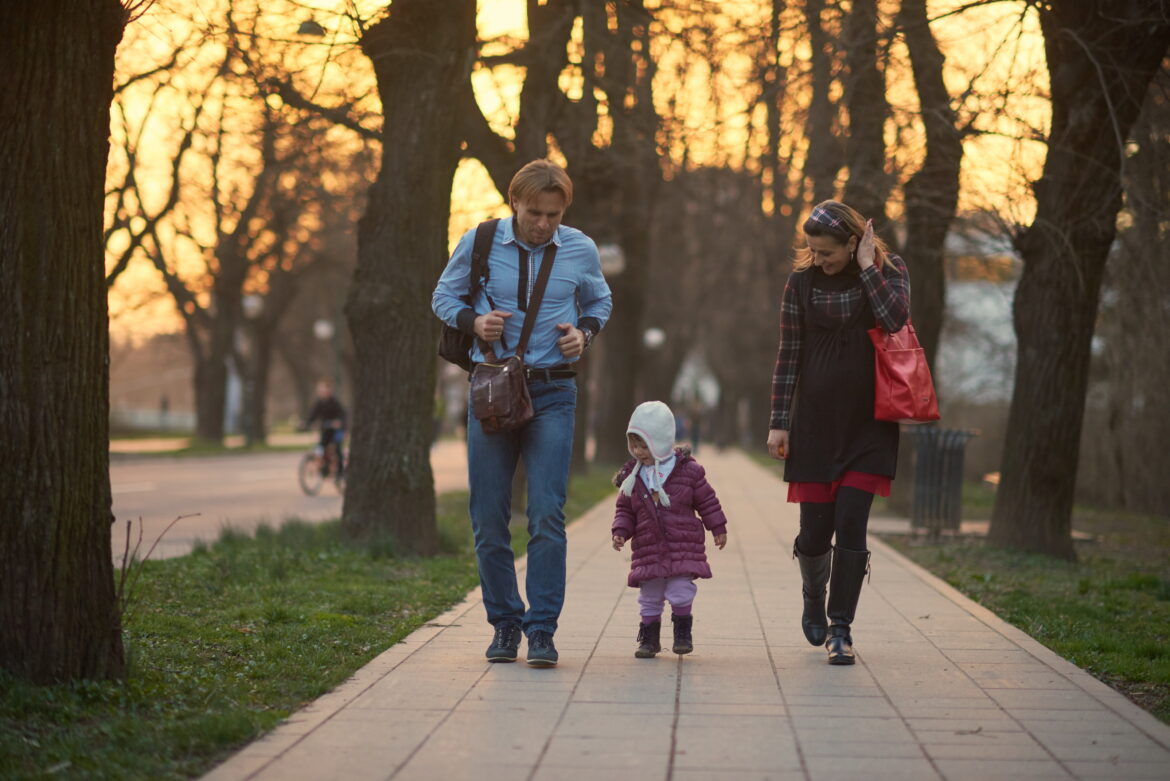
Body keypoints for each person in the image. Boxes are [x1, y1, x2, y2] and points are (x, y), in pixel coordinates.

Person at [432, 159, 613, 667]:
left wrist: (586, 333)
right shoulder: (481, 242)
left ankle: (542, 630)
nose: (543, 223)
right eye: (535, 212)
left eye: (553, 215)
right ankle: (505, 623)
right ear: (515, 202)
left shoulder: (580, 248)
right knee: (488, 515)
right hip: (494, 389)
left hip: (554, 391)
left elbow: (601, 299)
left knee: (546, 514)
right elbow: (442, 296)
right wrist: (474, 321)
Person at [766, 200, 910, 665]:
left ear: (852, 242)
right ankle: (814, 591)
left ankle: (840, 628)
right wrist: (778, 421)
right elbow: (789, 353)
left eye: (827, 252)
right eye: (812, 251)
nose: (818, 260)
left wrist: (868, 267)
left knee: (851, 521)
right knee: (814, 533)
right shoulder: (801, 284)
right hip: (815, 424)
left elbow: (894, 320)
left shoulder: (891, 270)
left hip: (870, 424)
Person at [611, 401, 728, 658]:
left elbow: (707, 500)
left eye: (644, 445)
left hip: (682, 543)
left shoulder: (688, 471)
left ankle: (682, 633)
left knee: (680, 590)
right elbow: (624, 510)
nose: (639, 452)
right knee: (650, 595)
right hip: (648, 546)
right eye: (634, 445)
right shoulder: (633, 476)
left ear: (662, 441)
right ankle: (649, 639)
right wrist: (620, 530)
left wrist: (717, 526)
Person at [304, 379, 346, 478]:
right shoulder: (319, 403)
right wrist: (306, 423)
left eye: (324, 390)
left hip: (336, 431)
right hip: (326, 430)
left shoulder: (335, 402)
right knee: (320, 448)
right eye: (320, 390)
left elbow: (343, 415)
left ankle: (340, 473)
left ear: (329, 390)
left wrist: (338, 422)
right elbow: (313, 415)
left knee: (337, 449)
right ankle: (324, 469)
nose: (322, 392)